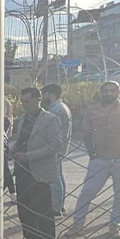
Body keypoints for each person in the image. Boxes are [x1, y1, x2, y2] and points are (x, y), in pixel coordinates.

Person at [68, 81, 120, 239]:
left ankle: (115, 227)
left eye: (112, 91)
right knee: (87, 192)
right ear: (101, 93)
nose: (109, 94)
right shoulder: (92, 111)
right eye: (106, 91)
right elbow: (86, 133)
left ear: (118, 92)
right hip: (100, 159)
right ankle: (77, 226)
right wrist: (91, 153)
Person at [10, 88, 64, 239]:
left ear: (37, 100)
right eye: (22, 102)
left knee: (42, 209)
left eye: (27, 101)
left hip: (40, 170)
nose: (24, 105)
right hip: (22, 170)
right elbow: (19, 142)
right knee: (25, 207)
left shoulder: (50, 119)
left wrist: (28, 156)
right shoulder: (23, 120)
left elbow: (55, 146)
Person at [41, 84, 73, 215]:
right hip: (60, 146)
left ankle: (55, 208)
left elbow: (53, 131)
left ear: (51, 95)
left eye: (44, 95)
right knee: (58, 176)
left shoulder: (56, 110)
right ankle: (60, 204)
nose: (42, 98)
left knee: (54, 179)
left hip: (55, 147)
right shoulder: (60, 107)